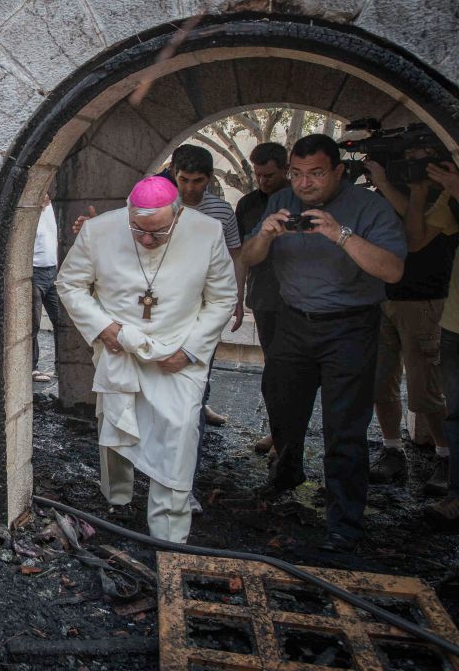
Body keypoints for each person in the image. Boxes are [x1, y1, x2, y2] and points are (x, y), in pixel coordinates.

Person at [240, 134, 406, 553]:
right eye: (297, 174)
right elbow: (250, 257)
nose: (304, 183)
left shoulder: (368, 207)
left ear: (338, 171)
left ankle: (344, 520)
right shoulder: (282, 201)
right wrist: (266, 235)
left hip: (350, 326)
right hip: (294, 321)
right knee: (280, 398)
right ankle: (288, 467)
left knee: (344, 425)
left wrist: (340, 234)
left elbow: (392, 271)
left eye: (315, 174)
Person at [57, 176, 236, 542]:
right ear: (128, 212)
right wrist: (102, 326)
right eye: (138, 230)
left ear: (178, 214)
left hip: (178, 354)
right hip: (119, 347)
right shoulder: (100, 231)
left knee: (180, 434)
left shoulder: (208, 231)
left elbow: (222, 298)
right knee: (116, 423)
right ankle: (117, 500)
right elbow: (69, 283)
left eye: (159, 232)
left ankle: (168, 532)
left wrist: (189, 350)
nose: (148, 240)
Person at [363, 150, 455, 493]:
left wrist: (400, 188)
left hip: (423, 299)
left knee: (425, 388)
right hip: (382, 296)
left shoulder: (444, 195)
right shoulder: (382, 195)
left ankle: (446, 457)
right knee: (379, 381)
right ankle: (392, 451)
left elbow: (413, 239)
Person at [404, 156, 459, 524]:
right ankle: (456, 494)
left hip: (436, 306)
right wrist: (418, 192)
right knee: (455, 413)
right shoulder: (451, 197)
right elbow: (417, 239)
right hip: (456, 322)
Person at [235, 143, 290, 457]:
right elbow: (242, 254)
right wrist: (238, 298)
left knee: (293, 371)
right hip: (266, 297)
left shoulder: (299, 200)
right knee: (274, 369)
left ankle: (287, 436)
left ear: (284, 168)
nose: (263, 181)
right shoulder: (247, 204)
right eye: (258, 175)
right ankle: (277, 432)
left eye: (269, 175)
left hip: (299, 300)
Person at [32, 194, 61, 383]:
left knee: (60, 320)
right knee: (32, 323)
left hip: (53, 272)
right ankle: (32, 367)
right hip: (34, 273)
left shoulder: (53, 210)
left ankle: (62, 365)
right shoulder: (30, 213)